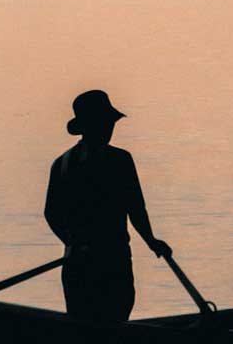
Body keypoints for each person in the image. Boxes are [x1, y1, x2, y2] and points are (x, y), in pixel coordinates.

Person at [44, 90, 172, 324]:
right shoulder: (119, 161)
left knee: (88, 325)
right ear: (90, 125)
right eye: (105, 122)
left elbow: (51, 215)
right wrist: (151, 240)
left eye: (109, 123)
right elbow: (136, 209)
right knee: (109, 321)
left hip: (80, 263)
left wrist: (72, 243)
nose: (109, 128)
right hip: (109, 263)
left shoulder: (62, 164)